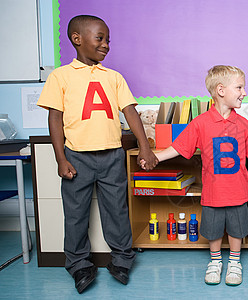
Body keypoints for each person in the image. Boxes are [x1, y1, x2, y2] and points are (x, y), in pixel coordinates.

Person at [37, 15, 158, 293]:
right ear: (77, 39)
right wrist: (60, 158)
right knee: (76, 213)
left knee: (117, 211)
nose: (106, 45)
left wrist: (146, 148)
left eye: (108, 40)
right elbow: (55, 119)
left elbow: (130, 111)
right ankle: (79, 264)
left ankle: (121, 259)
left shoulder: (113, 77)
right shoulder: (60, 76)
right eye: (100, 38)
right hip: (76, 156)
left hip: (112, 155)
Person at [154, 65, 248, 286]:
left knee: (236, 228)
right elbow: (179, 147)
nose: (244, 92)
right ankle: (215, 261)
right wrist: (156, 158)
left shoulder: (242, 124)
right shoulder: (201, 123)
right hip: (213, 192)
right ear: (221, 90)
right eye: (240, 87)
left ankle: (234, 262)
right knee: (213, 230)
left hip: (238, 191)